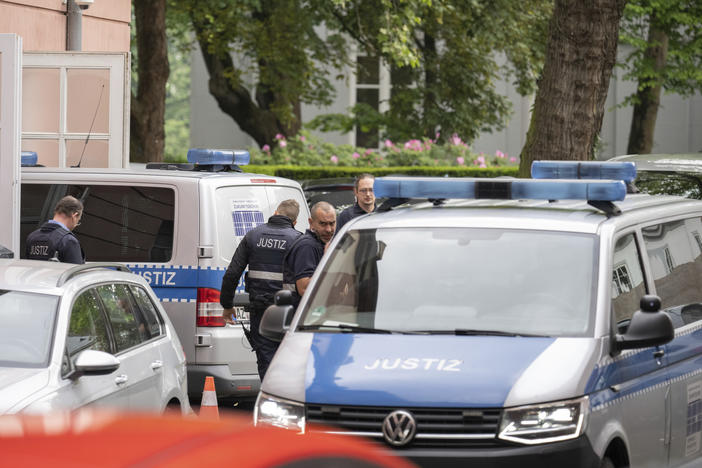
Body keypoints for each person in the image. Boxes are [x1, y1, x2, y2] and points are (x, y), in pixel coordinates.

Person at [220, 199, 302, 380]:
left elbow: (232, 274)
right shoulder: (298, 240)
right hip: (290, 312)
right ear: (294, 222)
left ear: (275, 213)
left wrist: (227, 305)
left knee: (266, 360)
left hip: (260, 312)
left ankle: (267, 398)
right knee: (289, 361)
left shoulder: (252, 236)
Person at [283, 201, 336, 309]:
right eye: (323, 224)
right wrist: (328, 264)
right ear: (311, 222)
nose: (328, 229)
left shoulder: (323, 244)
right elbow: (304, 289)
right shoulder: (307, 246)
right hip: (301, 317)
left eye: (332, 223)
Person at [26, 195, 85, 264]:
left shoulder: (32, 237)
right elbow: (75, 273)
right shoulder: (69, 241)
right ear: (74, 216)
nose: (76, 225)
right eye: (78, 221)